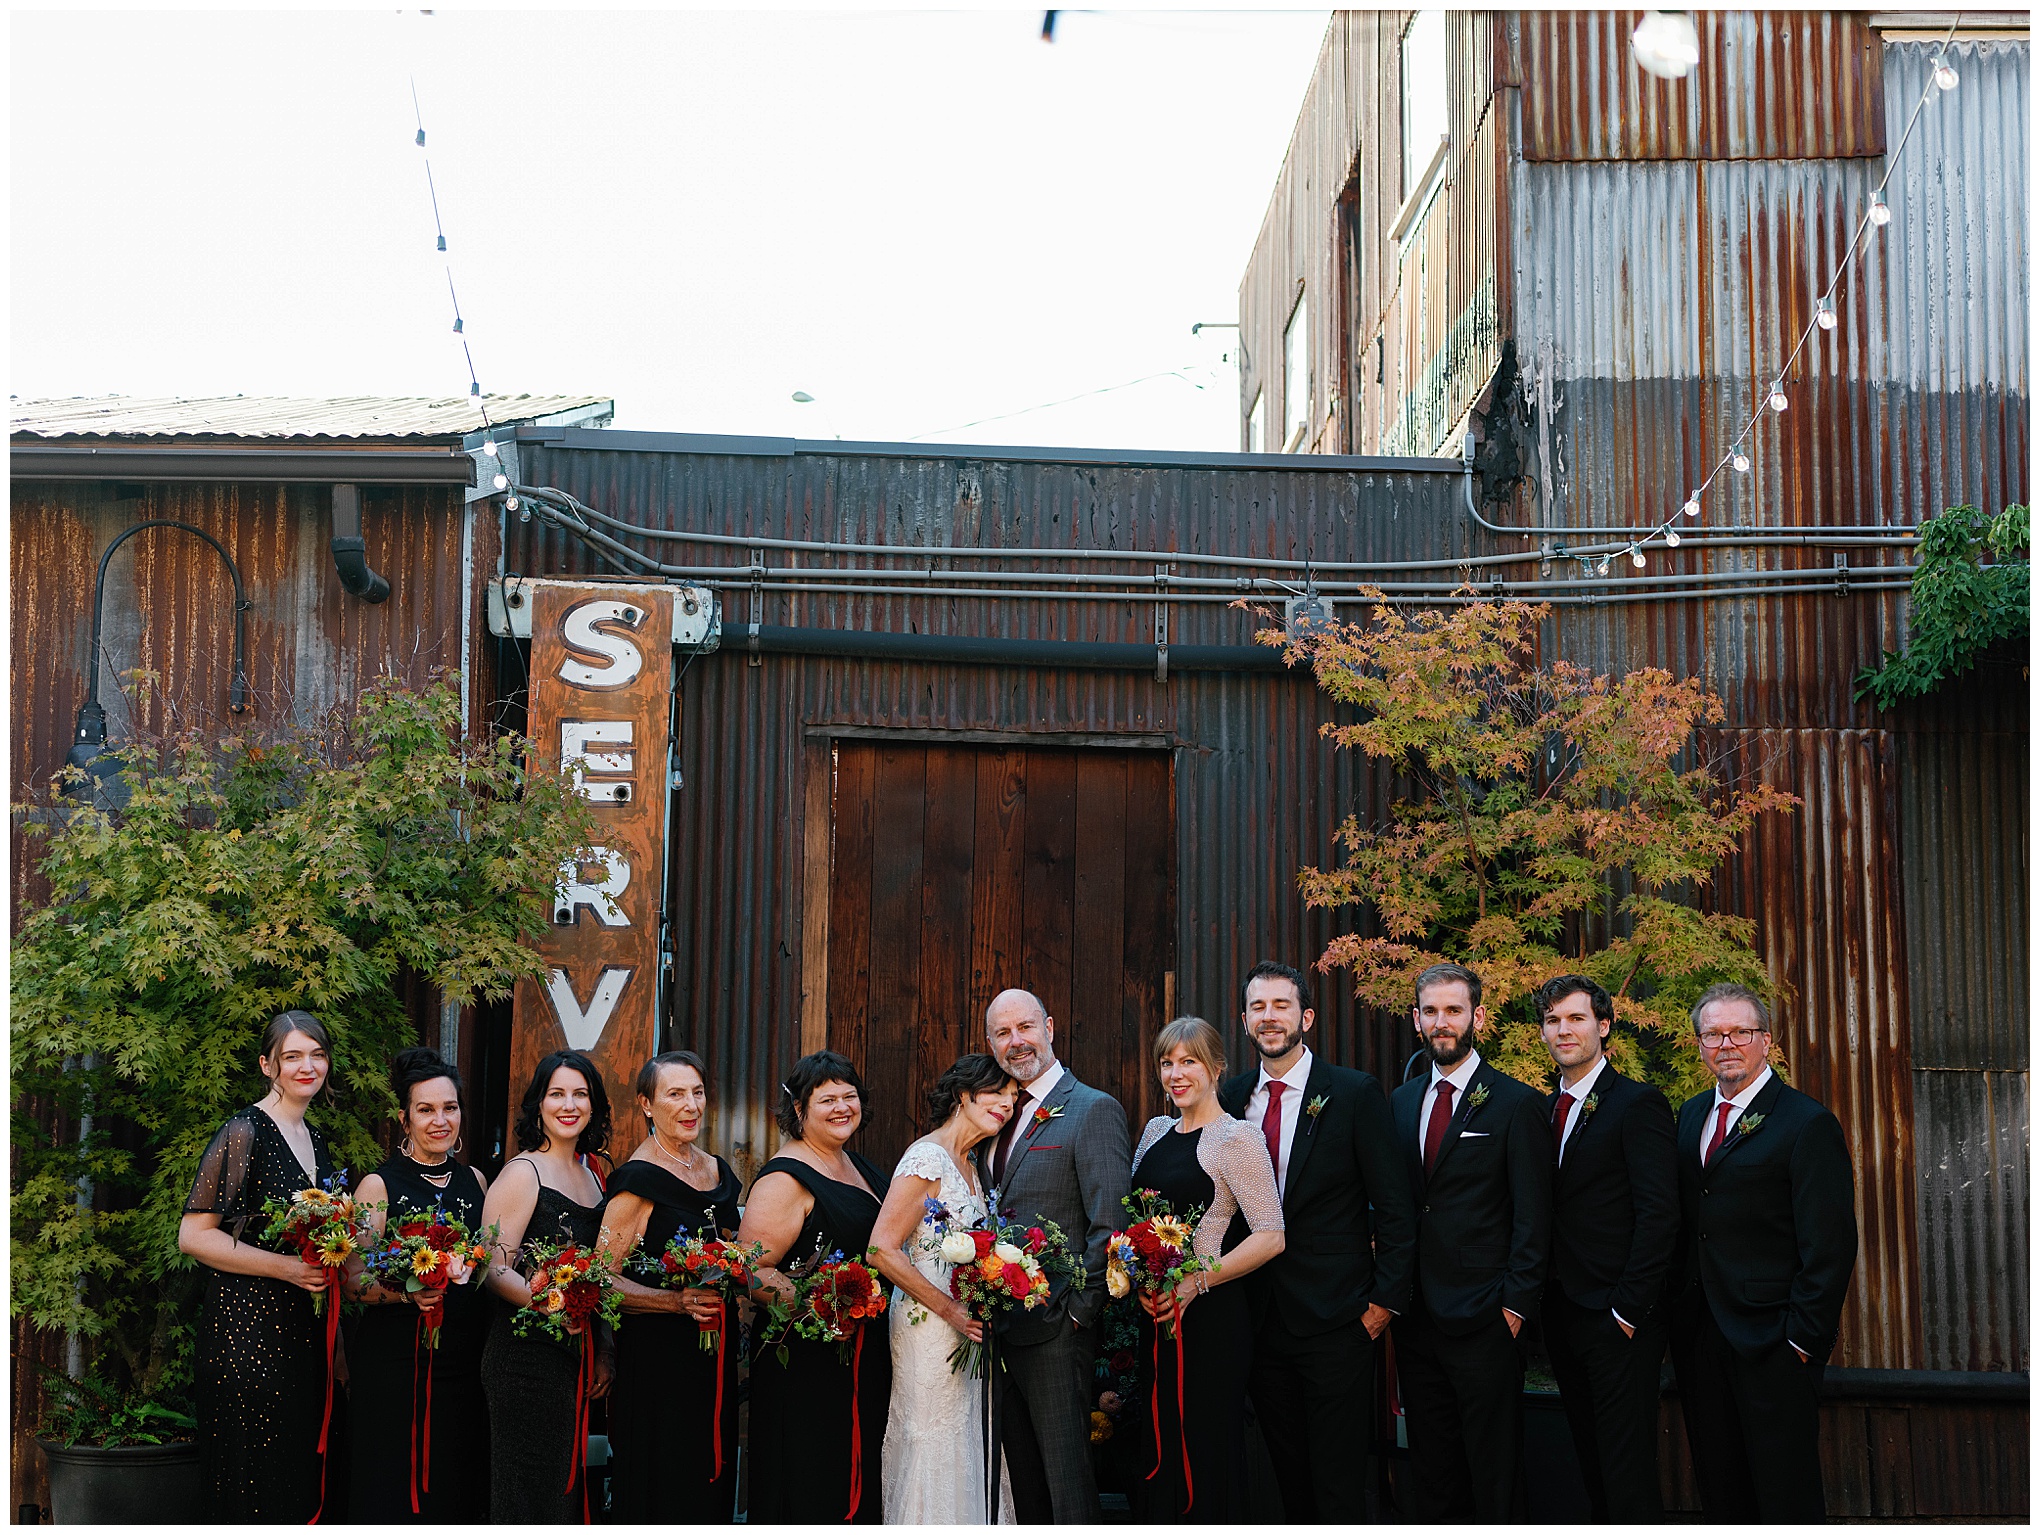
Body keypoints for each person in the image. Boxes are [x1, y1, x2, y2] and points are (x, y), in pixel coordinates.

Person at [1216, 960, 1415, 1523]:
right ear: (1245, 1020)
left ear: (1305, 1016)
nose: (1269, 1017)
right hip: (1259, 1318)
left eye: (1281, 1006)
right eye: (1258, 1007)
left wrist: (1382, 1305)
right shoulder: (1230, 1099)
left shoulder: (1353, 1094)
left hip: (1338, 1320)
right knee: (1288, 1477)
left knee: (1339, 1481)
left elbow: (1395, 1208)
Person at [1668, 983, 1857, 1522]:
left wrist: (1802, 1340)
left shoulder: (1806, 1122)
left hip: (1774, 1340)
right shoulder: (1690, 1115)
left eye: (1740, 1032)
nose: (1726, 1044)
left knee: (1784, 1493)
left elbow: (1831, 1242)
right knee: (1720, 1487)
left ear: (1766, 1040)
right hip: (1702, 1335)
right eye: (1712, 1033)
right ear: (1700, 1043)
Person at [1388, 962, 1551, 1523]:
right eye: (1430, 1011)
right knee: (1432, 1469)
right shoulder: (1401, 1102)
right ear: (1416, 1020)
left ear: (1477, 1016)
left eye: (1453, 1010)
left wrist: (1515, 1306)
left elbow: (1534, 1214)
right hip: (1416, 1318)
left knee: (1494, 1469)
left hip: (1486, 1315)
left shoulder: (1517, 1103)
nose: (1442, 1022)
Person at [177, 1010, 343, 1522]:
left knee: (292, 1476)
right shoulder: (244, 1131)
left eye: (316, 1054)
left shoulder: (314, 1139)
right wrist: (286, 1269)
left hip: (298, 1330)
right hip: (245, 1332)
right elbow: (193, 1236)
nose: (307, 1066)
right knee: (253, 1477)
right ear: (267, 1065)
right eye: (292, 1056)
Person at [981, 987, 1132, 1524]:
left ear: (1049, 1026)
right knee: (1024, 1487)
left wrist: (1076, 1315)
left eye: (1025, 1027)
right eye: (1003, 1033)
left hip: (1057, 1332)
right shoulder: (992, 1119)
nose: (1016, 1042)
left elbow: (1110, 1226)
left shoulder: (1092, 1109)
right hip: (999, 1331)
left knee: (1068, 1488)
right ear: (991, 1044)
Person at [1129, 1016, 1286, 1522]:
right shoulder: (1155, 1131)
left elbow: (1270, 1234)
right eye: (1167, 1063)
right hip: (1154, 1316)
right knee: (1157, 1439)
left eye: (1188, 1061)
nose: (1176, 1073)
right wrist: (1136, 1279)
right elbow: (1137, 1222)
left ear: (1216, 1068)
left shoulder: (1236, 1138)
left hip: (1212, 1319)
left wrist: (1197, 1282)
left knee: (1205, 1442)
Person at [1535, 975, 1679, 1523]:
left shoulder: (1637, 1104)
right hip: (1563, 1311)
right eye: (1553, 1021)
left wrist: (1628, 1309)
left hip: (1618, 1318)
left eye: (1575, 1018)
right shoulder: (1546, 1108)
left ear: (1604, 1025)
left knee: (1626, 1469)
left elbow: (1659, 1213)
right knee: (1590, 1461)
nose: (1563, 1030)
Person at [738, 1051, 893, 1523]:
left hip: (860, 1359)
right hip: (806, 1365)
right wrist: (820, 1311)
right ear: (800, 1110)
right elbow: (751, 1270)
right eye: (827, 1099)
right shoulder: (786, 1177)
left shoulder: (858, 1166)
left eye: (850, 1096)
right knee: (813, 1481)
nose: (842, 1107)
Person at [868, 1053, 1021, 1523]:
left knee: (969, 1437)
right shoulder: (927, 1157)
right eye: (997, 1093)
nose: (1007, 1105)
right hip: (928, 1325)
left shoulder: (974, 1165)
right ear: (963, 1094)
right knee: (933, 1438)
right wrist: (950, 1309)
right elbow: (881, 1249)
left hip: (968, 1328)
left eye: (1013, 1098)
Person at [596, 1051, 745, 1522]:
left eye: (697, 1093)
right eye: (675, 1094)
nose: (690, 1105)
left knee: (709, 1475)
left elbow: (734, 1248)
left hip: (712, 1358)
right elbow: (598, 1279)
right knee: (664, 1483)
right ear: (646, 1103)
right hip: (655, 1362)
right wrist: (674, 1301)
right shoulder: (637, 1182)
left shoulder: (717, 1170)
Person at [345, 1046, 493, 1521]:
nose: (440, 1120)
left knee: (458, 1479)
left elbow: (489, 1263)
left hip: (465, 1360)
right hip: (397, 1364)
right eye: (425, 1110)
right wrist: (408, 1290)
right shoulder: (378, 1186)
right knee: (396, 1484)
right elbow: (354, 1279)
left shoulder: (477, 1179)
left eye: (449, 1108)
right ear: (405, 1118)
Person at [477, 1050, 614, 1524]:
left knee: (566, 1489)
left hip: (575, 1357)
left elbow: (602, 1273)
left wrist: (604, 1350)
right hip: (524, 1359)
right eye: (557, 1093)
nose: (569, 1104)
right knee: (529, 1491)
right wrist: (551, 1306)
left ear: (594, 1105)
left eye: (580, 1094)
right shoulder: (522, 1173)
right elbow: (492, 1270)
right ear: (539, 1104)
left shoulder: (596, 1175)